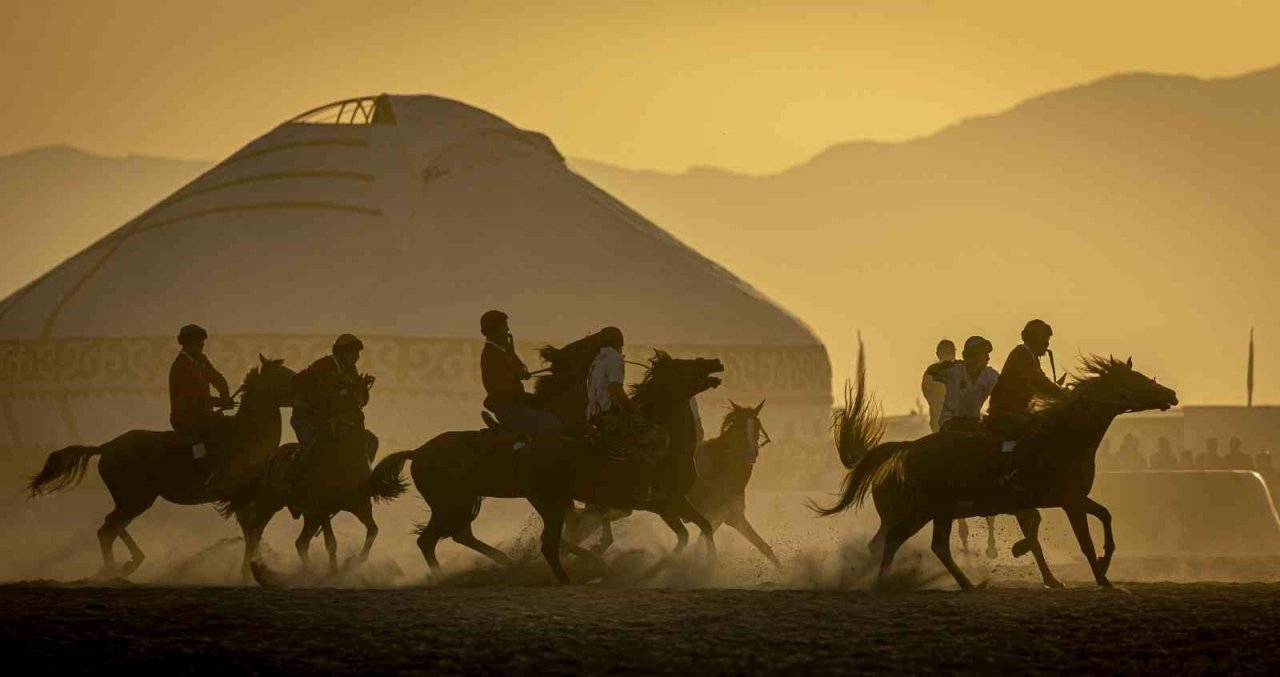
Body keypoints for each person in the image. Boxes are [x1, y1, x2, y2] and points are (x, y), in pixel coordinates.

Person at [287, 334, 375, 487]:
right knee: (318, 443)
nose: (357, 358)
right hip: (308, 419)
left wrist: (361, 388)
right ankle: (291, 479)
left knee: (371, 441)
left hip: (337, 422)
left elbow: (360, 402)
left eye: (358, 354)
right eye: (354, 353)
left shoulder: (351, 371)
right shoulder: (320, 367)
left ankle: (359, 479)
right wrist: (345, 390)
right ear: (342, 353)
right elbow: (314, 395)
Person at [986, 319, 1065, 488]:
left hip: (1017, 413)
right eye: (1044, 338)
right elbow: (1041, 382)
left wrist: (1057, 391)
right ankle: (1009, 474)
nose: (1047, 343)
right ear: (1032, 339)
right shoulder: (1022, 354)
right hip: (1005, 414)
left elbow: (1041, 386)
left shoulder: (1030, 357)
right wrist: (1064, 394)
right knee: (1034, 432)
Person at [479, 310, 561, 448]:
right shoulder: (491, 354)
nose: (507, 329)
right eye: (504, 325)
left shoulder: (505, 351)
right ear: (495, 329)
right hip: (509, 407)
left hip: (515, 402)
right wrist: (516, 378)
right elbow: (498, 387)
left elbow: (521, 368)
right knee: (551, 423)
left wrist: (519, 369)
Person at [168, 324, 233, 477]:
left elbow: (218, 379)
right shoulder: (181, 367)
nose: (202, 347)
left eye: (202, 344)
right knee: (202, 442)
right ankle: (199, 472)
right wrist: (220, 403)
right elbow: (196, 398)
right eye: (199, 344)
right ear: (188, 344)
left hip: (203, 414)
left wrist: (225, 394)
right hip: (186, 418)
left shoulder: (201, 360)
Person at [924, 336, 998, 434]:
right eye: (984, 355)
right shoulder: (954, 371)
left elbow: (1004, 388)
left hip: (973, 423)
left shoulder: (989, 375)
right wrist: (951, 363)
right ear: (973, 357)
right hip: (950, 423)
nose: (988, 358)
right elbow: (931, 371)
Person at [922, 339, 956, 433]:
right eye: (950, 352)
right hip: (948, 426)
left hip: (938, 425)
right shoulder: (932, 373)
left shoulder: (929, 373)